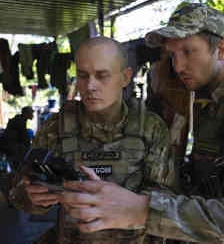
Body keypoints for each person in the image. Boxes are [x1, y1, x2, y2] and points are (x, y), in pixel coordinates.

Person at [9, 36, 172, 244]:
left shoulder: (151, 128)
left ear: (125, 77)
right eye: (83, 75)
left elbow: (168, 203)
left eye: (102, 75)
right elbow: (19, 193)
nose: (90, 86)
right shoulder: (55, 127)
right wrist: (34, 199)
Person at [144, 2, 224, 243]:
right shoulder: (203, 97)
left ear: (221, 49)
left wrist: (144, 210)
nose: (178, 67)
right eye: (172, 55)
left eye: (189, 51)